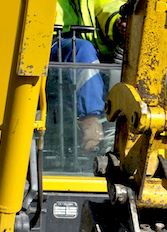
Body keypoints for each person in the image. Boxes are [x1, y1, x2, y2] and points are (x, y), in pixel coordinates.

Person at [52, 0, 126, 151]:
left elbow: (105, 4)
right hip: (47, 41)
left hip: (86, 43)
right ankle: (91, 129)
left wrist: (118, 20)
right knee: (83, 52)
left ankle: (115, 131)